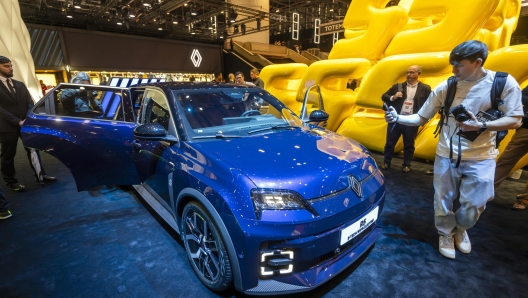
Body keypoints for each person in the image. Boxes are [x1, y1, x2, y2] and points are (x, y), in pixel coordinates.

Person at [384, 40, 523, 259]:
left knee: (476, 203)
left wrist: (481, 125)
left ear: (477, 62)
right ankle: (445, 233)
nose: (454, 69)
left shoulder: (503, 83)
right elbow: (422, 117)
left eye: (459, 64)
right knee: (443, 199)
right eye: (452, 64)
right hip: (446, 155)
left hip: (483, 156)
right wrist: (398, 117)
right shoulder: (447, 86)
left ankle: (462, 227)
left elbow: (515, 119)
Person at [0, 56, 56, 192]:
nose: (10, 68)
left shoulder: (19, 84)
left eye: (11, 65)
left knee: (33, 150)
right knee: (8, 155)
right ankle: (11, 181)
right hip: (7, 127)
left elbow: (29, 102)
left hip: (25, 124)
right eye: (6, 66)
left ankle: (41, 174)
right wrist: (17, 121)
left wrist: (27, 118)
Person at [381, 65, 432, 173]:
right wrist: (393, 97)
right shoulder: (398, 86)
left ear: (419, 74)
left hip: (411, 120)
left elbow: (429, 104)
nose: (409, 75)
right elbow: (383, 96)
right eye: (407, 72)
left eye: (412, 72)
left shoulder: (425, 88)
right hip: (396, 119)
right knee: (390, 142)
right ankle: (386, 162)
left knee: (409, 144)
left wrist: (425, 118)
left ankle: (406, 164)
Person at [493, 85, 528, 210]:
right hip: (526, 129)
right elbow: (522, 95)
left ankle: (524, 199)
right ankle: (486, 192)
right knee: (506, 160)